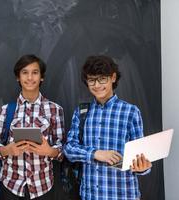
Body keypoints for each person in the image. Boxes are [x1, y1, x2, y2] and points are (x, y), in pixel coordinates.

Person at [63, 55, 152, 200]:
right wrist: (96, 153)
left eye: (102, 79)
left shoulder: (131, 112)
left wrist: (143, 168)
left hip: (123, 194)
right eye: (91, 80)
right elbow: (69, 149)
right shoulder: (82, 112)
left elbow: (140, 155)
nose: (97, 85)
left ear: (113, 78)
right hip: (90, 195)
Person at [0, 54, 64, 200]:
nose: (30, 78)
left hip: (43, 186)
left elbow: (62, 148)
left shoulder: (55, 109)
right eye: (25, 72)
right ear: (18, 77)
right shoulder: (5, 110)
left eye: (35, 72)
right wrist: (6, 149)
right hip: (11, 185)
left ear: (41, 77)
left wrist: (50, 151)